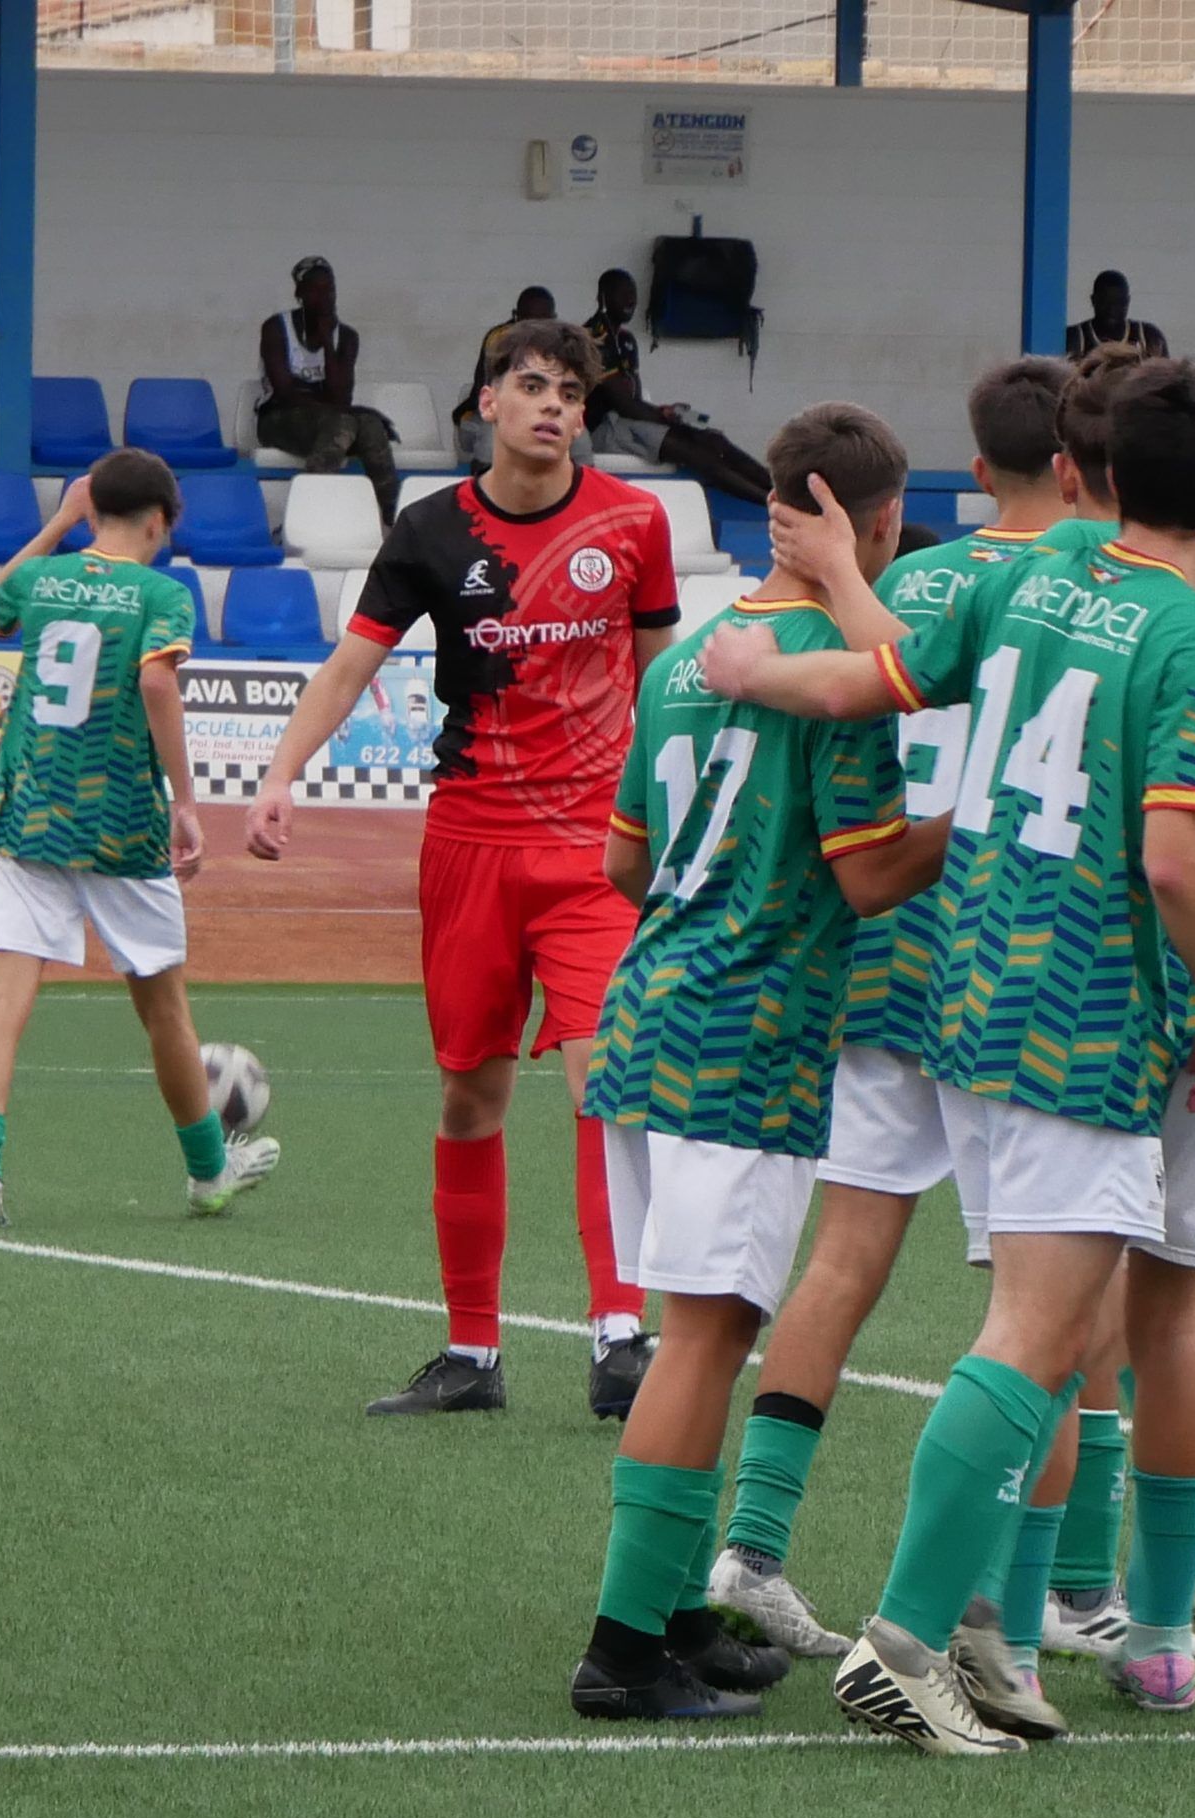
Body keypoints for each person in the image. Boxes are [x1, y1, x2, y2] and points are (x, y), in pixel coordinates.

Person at [701, 359, 1195, 1756]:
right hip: (1086, 1011)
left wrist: (765, 665)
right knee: (1035, 1334)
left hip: (967, 987)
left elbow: (883, 671)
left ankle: (983, 1640)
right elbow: (1177, 857)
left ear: (1094, 479)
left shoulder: (1033, 577)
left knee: (1042, 1326)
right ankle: (909, 1639)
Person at [566, 402, 952, 1723]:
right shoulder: (837, 671)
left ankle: (675, 1608)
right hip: (748, 1025)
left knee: (702, 1325)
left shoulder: (692, 654)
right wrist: (979, 822)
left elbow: (623, 858)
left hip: (652, 1003)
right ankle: (624, 1647)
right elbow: (871, 872)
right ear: (876, 520)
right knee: (707, 1334)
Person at [243, 319, 681, 1421]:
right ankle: (471, 1354)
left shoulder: (634, 522)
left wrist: (679, 807)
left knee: (605, 1081)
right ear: (488, 402)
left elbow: (663, 678)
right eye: (532, 385)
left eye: (570, 392)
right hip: (470, 845)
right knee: (471, 1095)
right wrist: (282, 774)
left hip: (596, 851)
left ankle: (619, 1335)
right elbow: (350, 666)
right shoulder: (431, 529)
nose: (553, 406)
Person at [0, 455, 280, 1230]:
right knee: (164, 1010)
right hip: (121, 823)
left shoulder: (46, 579)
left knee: (5, 1002)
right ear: (161, 521)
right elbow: (158, 683)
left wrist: (61, 522)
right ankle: (207, 1173)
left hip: (30, 815)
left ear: (93, 508)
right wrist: (186, 802)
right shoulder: (162, 594)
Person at [585, 269, 773, 505]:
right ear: (603, 296)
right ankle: (770, 503)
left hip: (628, 422)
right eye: (622, 294)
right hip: (605, 428)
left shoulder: (625, 340)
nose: (630, 300)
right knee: (696, 453)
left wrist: (665, 411)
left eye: (633, 294)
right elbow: (624, 405)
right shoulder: (593, 338)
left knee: (715, 440)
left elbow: (635, 398)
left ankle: (784, 492)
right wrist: (671, 422)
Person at [257, 256, 400, 525]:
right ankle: (307, 518)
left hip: (329, 420)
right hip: (278, 419)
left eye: (330, 289)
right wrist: (344, 410)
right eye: (315, 290)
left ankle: (394, 521)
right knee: (344, 422)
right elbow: (285, 393)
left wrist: (327, 343)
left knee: (370, 425)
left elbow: (341, 396)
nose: (325, 298)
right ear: (299, 293)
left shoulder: (346, 337)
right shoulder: (276, 328)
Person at [456, 287, 579, 468]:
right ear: (516, 316)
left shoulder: (563, 344)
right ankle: (485, 483)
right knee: (492, 441)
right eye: (529, 321)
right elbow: (491, 390)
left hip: (543, 411)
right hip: (496, 409)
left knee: (581, 442)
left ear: (553, 319)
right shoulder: (500, 339)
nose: (536, 328)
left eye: (543, 321)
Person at [1064, 269, 1169, 360]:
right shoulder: (1075, 337)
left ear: (1127, 302)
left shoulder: (1148, 337)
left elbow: (1166, 375)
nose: (1112, 309)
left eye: (1119, 302)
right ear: (1093, 300)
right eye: (1105, 302)